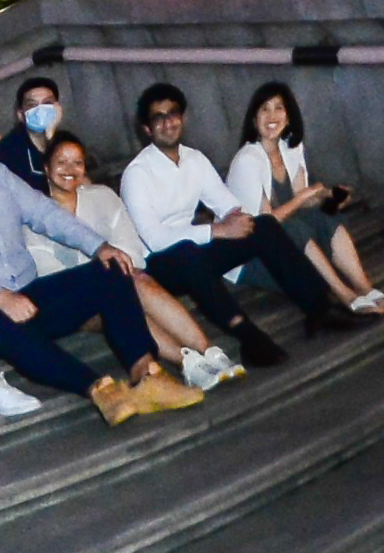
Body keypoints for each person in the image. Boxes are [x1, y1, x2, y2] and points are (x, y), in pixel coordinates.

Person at [0, 119, 209, 425]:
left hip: (29, 293)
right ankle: (101, 391)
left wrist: (98, 246)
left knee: (110, 269)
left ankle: (147, 375)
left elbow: (45, 213)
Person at [119, 83, 359, 363]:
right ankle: (247, 336)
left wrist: (237, 217)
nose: (168, 122)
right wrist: (218, 230)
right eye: (159, 117)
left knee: (264, 226)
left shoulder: (194, 159)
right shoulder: (136, 174)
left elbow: (227, 203)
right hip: (156, 266)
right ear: (147, 129)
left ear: (182, 118)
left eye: (173, 113)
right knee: (188, 254)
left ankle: (319, 309)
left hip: (193, 252)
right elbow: (155, 239)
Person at [26, 130, 241, 391]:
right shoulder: (34, 216)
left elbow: (129, 243)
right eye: (62, 162)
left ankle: (207, 351)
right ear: (47, 168)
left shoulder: (101, 196)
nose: (70, 169)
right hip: (78, 302)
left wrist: (119, 270)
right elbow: (49, 272)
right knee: (117, 294)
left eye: (77, 162)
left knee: (134, 280)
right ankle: (187, 361)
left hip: (124, 278)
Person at [226, 82, 384, 314]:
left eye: (279, 108)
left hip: (288, 243)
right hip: (252, 255)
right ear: (254, 119)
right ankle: (345, 295)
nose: (272, 116)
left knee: (325, 214)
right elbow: (267, 224)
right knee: (293, 228)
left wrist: (329, 195)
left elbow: (303, 200)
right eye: (264, 109)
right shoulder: (248, 160)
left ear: (288, 116)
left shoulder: (290, 146)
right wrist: (303, 197)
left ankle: (366, 288)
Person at [0, 76, 65, 185]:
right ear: (20, 114)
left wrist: (50, 137)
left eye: (47, 103)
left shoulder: (65, 141)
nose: (41, 110)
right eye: (32, 105)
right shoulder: (9, 150)